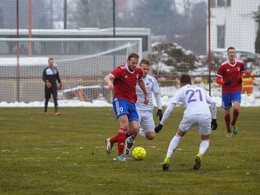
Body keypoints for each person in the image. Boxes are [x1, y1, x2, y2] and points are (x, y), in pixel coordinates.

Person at [154, 74, 217, 171]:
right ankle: (199, 154)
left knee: (178, 135)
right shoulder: (200, 89)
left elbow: (170, 107)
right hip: (205, 114)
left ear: (180, 84)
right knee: (205, 139)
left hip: (190, 114)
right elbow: (213, 103)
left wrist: (161, 124)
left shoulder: (181, 90)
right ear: (191, 83)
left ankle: (167, 158)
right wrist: (214, 119)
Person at [104, 53, 149, 161]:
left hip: (131, 102)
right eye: (133, 63)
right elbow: (107, 77)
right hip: (120, 100)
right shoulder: (120, 70)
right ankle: (120, 155)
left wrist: (146, 94)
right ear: (127, 61)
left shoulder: (138, 71)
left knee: (135, 129)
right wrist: (109, 83)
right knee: (124, 125)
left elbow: (140, 81)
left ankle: (112, 140)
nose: (135, 65)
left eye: (136, 63)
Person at [124, 59, 163, 158]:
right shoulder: (133, 78)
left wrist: (160, 108)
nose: (145, 71)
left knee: (151, 136)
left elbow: (157, 94)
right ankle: (126, 152)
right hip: (135, 108)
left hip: (148, 110)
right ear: (139, 68)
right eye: (143, 68)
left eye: (147, 69)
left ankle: (138, 129)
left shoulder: (152, 80)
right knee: (133, 131)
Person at [216, 47, 244, 137]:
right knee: (227, 113)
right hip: (226, 92)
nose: (232, 54)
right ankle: (228, 130)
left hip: (236, 90)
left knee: (236, 108)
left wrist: (241, 78)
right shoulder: (223, 66)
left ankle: (233, 123)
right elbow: (217, 80)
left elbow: (241, 72)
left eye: (233, 52)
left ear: (235, 54)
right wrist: (224, 82)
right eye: (230, 52)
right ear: (227, 54)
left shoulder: (240, 64)